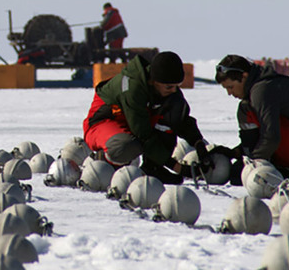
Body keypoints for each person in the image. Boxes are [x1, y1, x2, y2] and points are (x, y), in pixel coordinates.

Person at [82, 50, 210, 184]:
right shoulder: (133, 87)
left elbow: (181, 119)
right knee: (126, 147)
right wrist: (177, 167)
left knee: (174, 107)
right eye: (169, 86)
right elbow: (143, 134)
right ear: (153, 81)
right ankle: (104, 161)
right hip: (103, 122)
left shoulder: (167, 90)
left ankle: (153, 168)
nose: (174, 90)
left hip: (135, 123)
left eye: (177, 86)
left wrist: (198, 143)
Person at [215, 54, 289, 186]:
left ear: (244, 76)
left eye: (231, 87)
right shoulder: (265, 84)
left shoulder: (261, 91)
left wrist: (252, 165)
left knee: (246, 110)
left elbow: (271, 136)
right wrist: (236, 152)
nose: (230, 93)